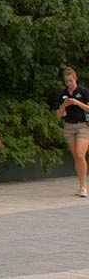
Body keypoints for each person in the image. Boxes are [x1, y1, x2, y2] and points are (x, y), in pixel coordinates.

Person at [56, 66, 89, 197]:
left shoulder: (83, 92)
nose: (69, 84)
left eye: (71, 81)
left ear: (75, 79)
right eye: (67, 81)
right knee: (76, 155)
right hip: (69, 127)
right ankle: (81, 183)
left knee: (81, 154)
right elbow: (58, 115)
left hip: (83, 126)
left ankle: (83, 186)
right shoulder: (63, 94)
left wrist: (76, 102)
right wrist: (64, 105)